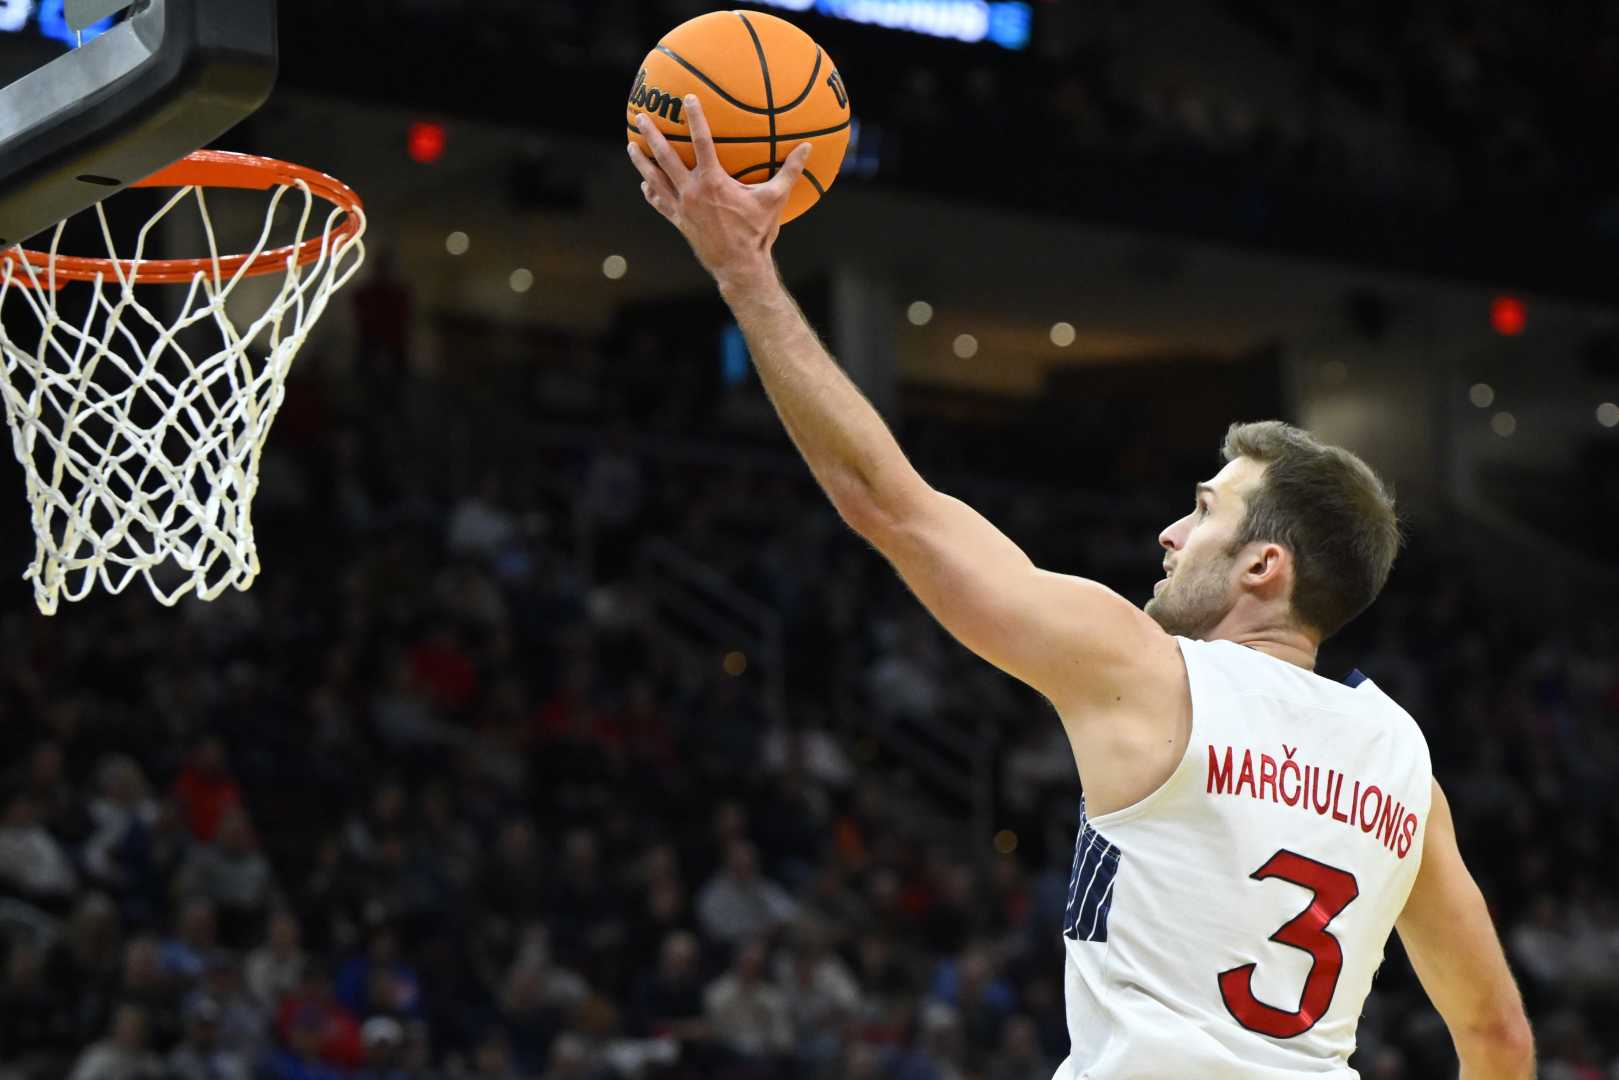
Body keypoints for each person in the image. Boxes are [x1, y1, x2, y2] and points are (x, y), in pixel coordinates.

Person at [627, 99, 1535, 1078]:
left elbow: (890, 507)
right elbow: (1495, 1039)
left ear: (1261, 568)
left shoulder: (1148, 673)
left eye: (1203, 513)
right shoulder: (1402, 767)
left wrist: (744, 274)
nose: (1169, 532)